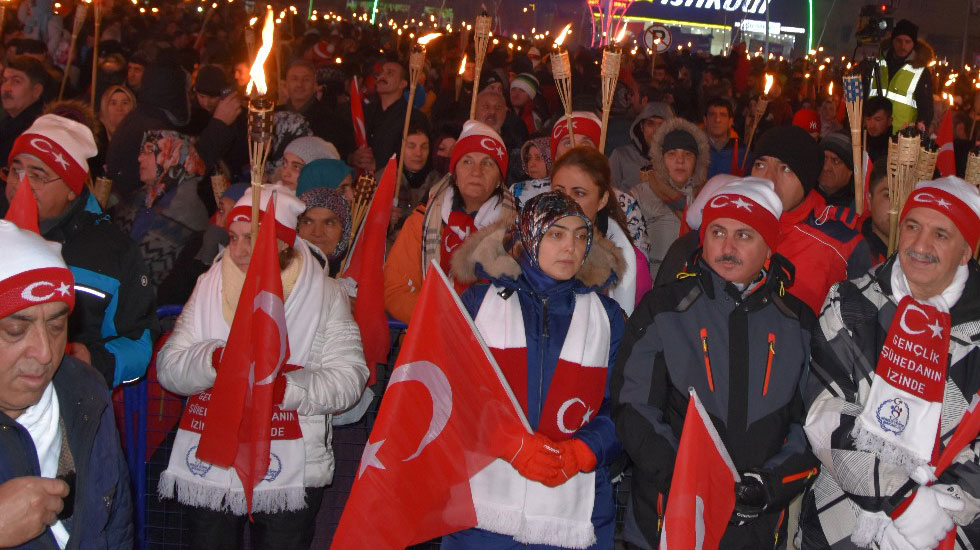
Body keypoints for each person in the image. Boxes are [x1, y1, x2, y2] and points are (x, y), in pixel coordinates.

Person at [156, 187, 369, 550]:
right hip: (212, 463)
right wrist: (214, 360)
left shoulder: (326, 294)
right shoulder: (209, 285)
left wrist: (287, 389)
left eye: (250, 239)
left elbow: (350, 378)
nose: (236, 251)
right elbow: (169, 367)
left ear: (281, 244)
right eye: (233, 238)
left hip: (292, 467)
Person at [613, 178, 818, 549]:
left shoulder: (799, 323)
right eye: (717, 232)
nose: (727, 246)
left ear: (769, 245)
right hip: (669, 519)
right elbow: (633, 407)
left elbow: (813, 426)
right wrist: (692, 481)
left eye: (744, 235)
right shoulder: (664, 309)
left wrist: (769, 486)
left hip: (756, 528)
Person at [800, 176, 980, 549]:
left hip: (941, 533)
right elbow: (825, 414)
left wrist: (938, 513)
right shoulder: (850, 303)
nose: (920, 245)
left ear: (966, 252)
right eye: (912, 227)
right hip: (837, 526)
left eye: (941, 235)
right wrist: (904, 502)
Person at [445, 191, 625, 549]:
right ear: (529, 236)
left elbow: (625, 404)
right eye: (556, 234)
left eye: (579, 236)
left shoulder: (608, 317)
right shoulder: (477, 304)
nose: (570, 247)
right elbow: (450, 391)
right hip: (482, 503)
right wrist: (509, 444)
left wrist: (587, 450)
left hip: (574, 505)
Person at [0, 220, 133, 549]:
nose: (45, 353)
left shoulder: (87, 392)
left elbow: (116, 526)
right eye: (17, 330)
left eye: (57, 325)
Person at [2, 114, 157, 388]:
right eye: (17, 171)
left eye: (37, 176)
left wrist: (94, 360)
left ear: (72, 189)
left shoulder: (113, 253)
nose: (21, 185)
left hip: (72, 400)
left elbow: (139, 346)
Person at [384, 120, 516, 323]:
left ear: (500, 178)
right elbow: (396, 290)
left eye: (487, 163)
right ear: (454, 172)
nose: (476, 171)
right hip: (429, 336)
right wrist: (442, 320)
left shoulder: (515, 232)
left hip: (487, 343)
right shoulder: (421, 222)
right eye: (467, 161)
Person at [749, 125, 871, 314]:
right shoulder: (730, 224)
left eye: (785, 168)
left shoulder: (841, 243)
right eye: (760, 165)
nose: (769, 179)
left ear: (806, 179)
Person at [550, 147, 651, 316]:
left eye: (579, 193)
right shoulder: (530, 252)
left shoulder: (630, 264)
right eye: (558, 191)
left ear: (602, 200)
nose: (565, 201)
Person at [120, 130, 209, 287]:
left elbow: (144, 268)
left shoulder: (188, 212)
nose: (139, 158)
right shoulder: (142, 197)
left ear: (171, 158)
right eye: (142, 151)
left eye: (149, 151)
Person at [633, 117, 710, 280]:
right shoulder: (639, 196)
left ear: (698, 161)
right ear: (660, 159)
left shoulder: (706, 197)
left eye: (688, 154)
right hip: (655, 283)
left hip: (693, 285)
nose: (680, 160)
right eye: (672, 153)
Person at [867, 19, 935, 133]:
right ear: (892, 41)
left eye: (907, 42)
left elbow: (926, 109)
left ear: (913, 44)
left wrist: (918, 129)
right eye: (899, 41)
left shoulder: (921, 72)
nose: (903, 46)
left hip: (900, 137)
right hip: (873, 132)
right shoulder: (878, 64)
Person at [609, 101, 674, 192]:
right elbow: (608, 196)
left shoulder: (677, 161)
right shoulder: (621, 157)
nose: (656, 131)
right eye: (650, 124)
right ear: (641, 126)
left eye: (662, 125)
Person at [0, 56, 48, 169]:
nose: (6, 88)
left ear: (36, 91)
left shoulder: (37, 132)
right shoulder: (7, 118)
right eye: (4, 81)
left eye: (16, 81)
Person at [298, 186, 351, 276]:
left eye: (329, 223)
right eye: (308, 222)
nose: (317, 233)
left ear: (344, 231)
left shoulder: (355, 280)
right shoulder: (280, 273)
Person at [703, 97, 740, 179]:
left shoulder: (742, 151)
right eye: (712, 114)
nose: (717, 119)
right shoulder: (693, 149)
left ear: (730, 122)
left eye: (723, 115)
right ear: (705, 120)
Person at [818, 131, 856, 208]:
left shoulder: (856, 207)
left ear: (850, 170)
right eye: (823, 159)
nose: (826, 167)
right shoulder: (804, 197)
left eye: (835, 161)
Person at [864, 96, 893, 162]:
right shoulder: (857, 144)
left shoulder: (894, 150)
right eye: (868, 119)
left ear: (889, 121)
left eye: (877, 119)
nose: (871, 125)